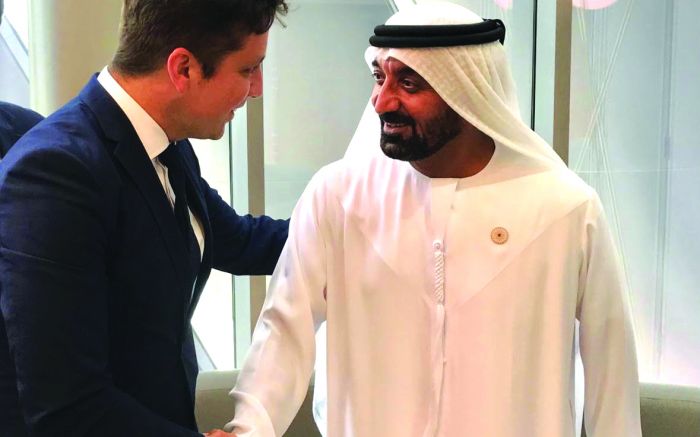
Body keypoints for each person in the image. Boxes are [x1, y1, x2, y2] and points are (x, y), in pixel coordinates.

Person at [225, 3, 642, 436]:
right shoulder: (338, 197)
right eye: (379, 78)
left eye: (408, 83)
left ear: (466, 91)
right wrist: (250, 427)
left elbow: (610, 364)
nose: (381, 101)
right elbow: (284, 330)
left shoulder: (564, 209)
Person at [0, 0, 288, 435]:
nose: (257, 89)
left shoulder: (167, 143)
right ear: (183, 68)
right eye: (248, 70)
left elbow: (241, 241)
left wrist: (352, 225)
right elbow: (67, 405)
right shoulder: (54, 173)